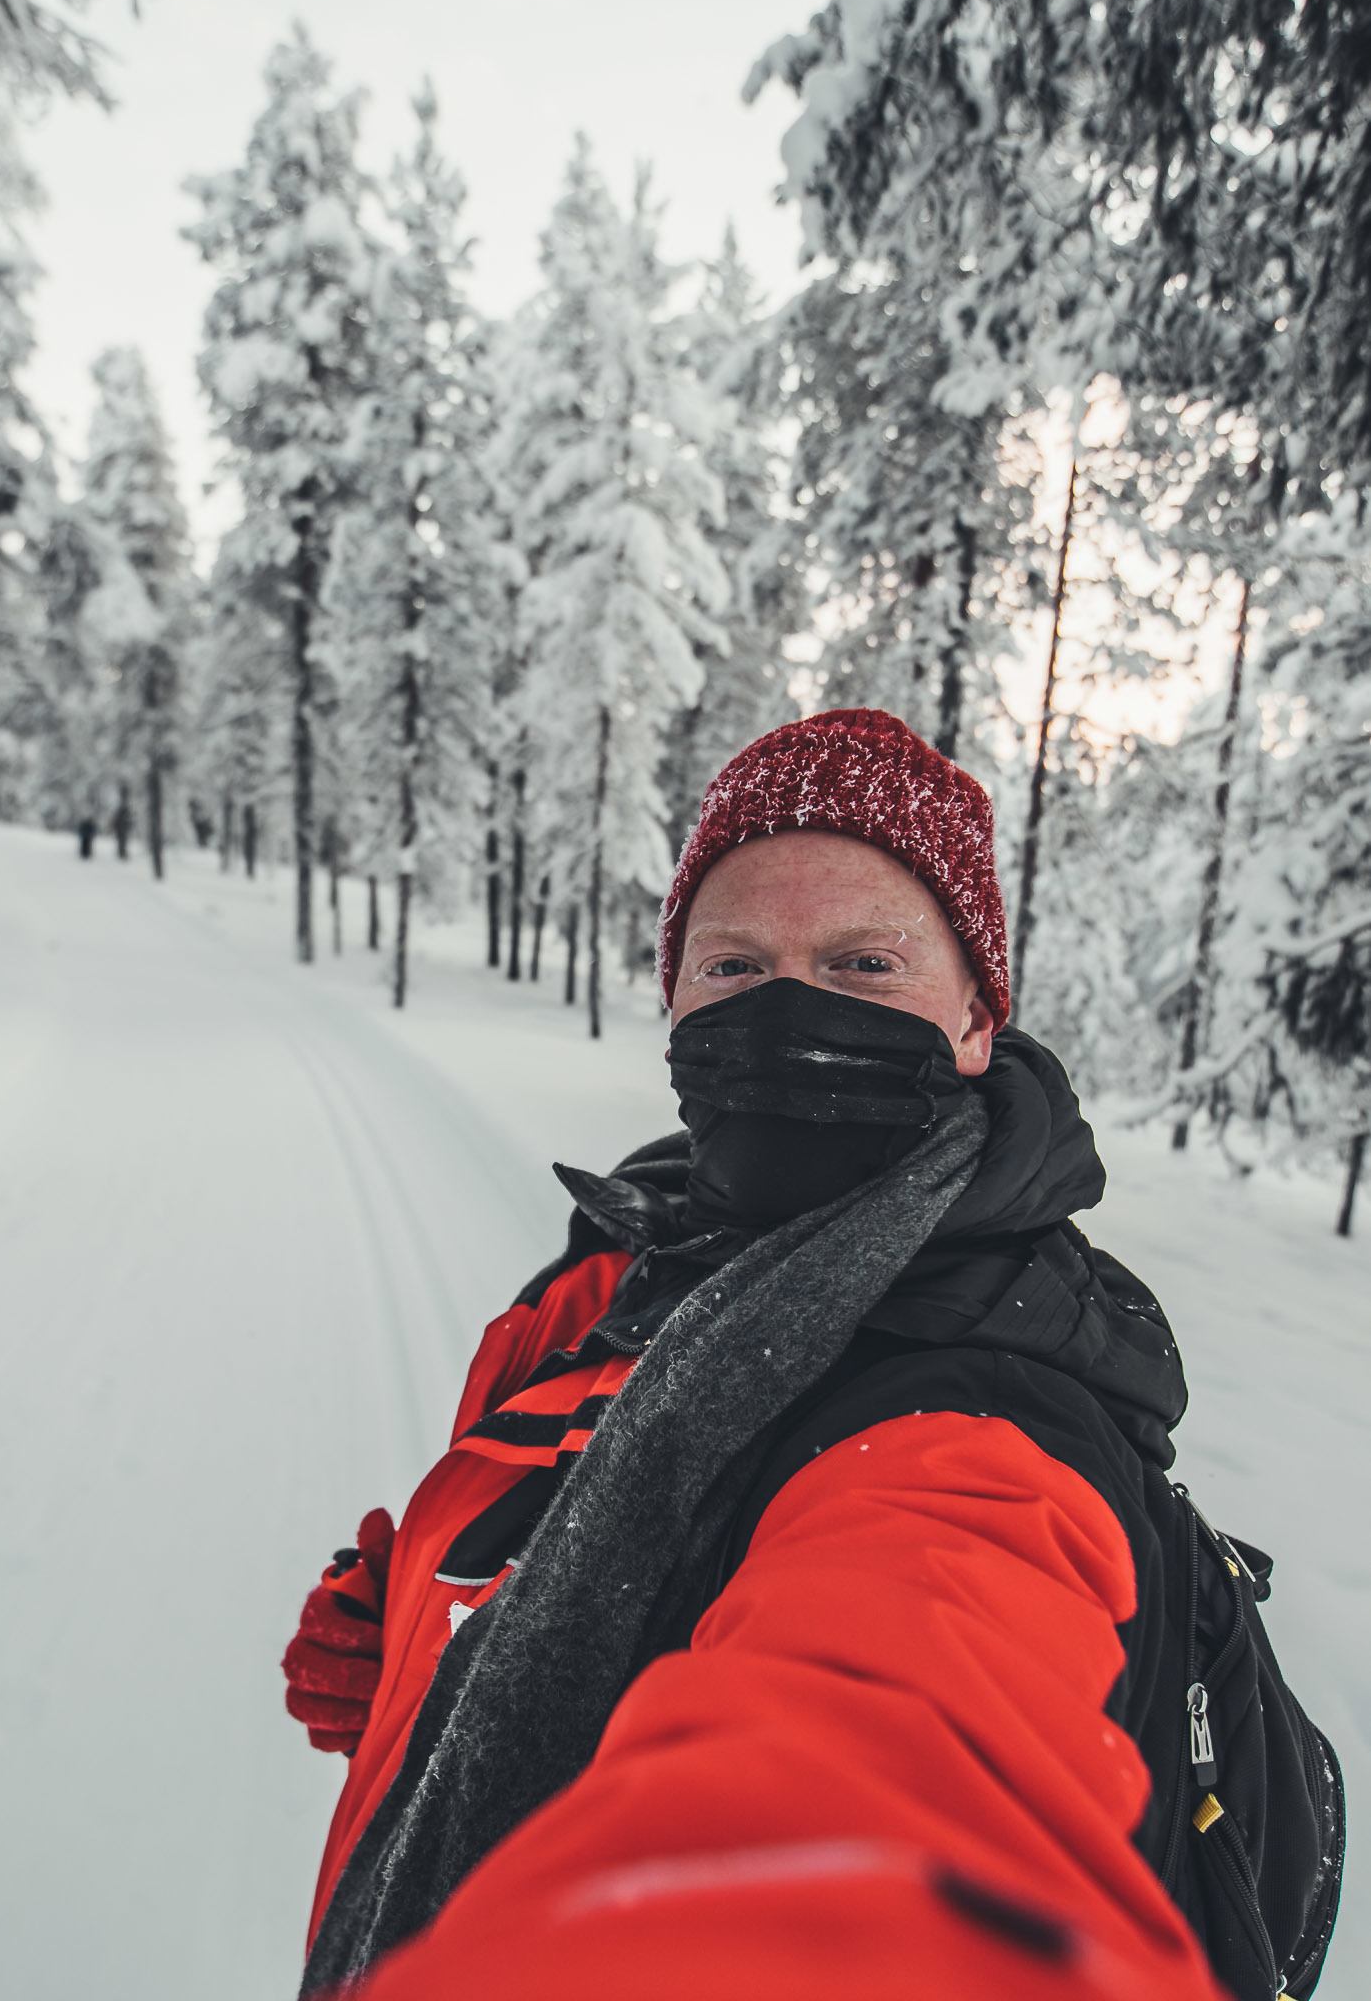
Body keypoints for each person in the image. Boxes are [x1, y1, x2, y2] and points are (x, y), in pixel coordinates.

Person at [281, 711, 1238, 2001]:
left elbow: (908, 1722)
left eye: (863, 965)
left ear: (973, 1020)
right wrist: (415, 1637)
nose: (791, 1010)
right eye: (734, 968)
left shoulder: (986, 1407)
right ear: (672, 997)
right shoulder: (616, 1261)